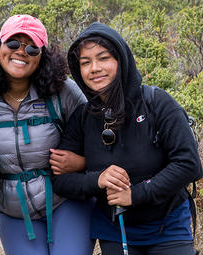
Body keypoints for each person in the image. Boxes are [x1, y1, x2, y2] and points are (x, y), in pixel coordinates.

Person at [51, 22, 203, 255]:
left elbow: (189, 164)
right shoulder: (83, 117)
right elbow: (60, 180)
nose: (94, 68)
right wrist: (97, 180)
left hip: (168, 225)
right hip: (114, 229)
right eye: (85, 63)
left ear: (121, 60)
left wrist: (135, 194)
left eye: (103, 58)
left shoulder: (158, 103)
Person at [0, 14, 93, 255]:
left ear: (42, 56)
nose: (21, 52)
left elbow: (96, 137)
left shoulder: (64, 91)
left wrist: (82, 162)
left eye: (32, 48)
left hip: (66, 202)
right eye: (12, 43)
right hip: (13, 211)